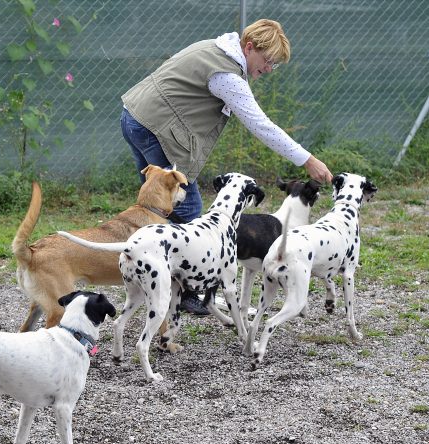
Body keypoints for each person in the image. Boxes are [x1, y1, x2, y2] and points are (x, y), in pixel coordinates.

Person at [120, 19, 333, 316]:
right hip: (155, 127)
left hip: (135, 115)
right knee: (189, 208)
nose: (269, 68)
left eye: (276, 64)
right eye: (268, 60)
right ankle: (191, 291)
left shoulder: (215, 48)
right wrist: (307, 159)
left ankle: (157, 276)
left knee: (157, 206)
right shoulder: (227, 75)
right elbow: (261, 125)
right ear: (249, 47)